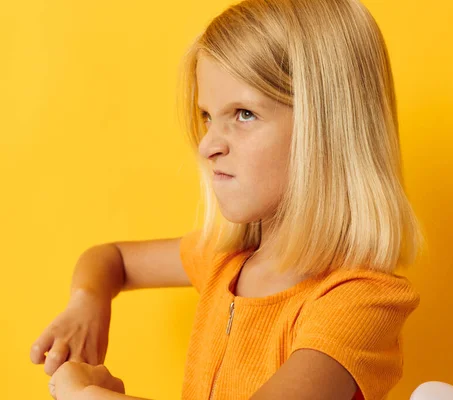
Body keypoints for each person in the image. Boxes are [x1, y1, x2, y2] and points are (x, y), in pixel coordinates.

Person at [30, 0, 426, 399]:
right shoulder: (223, 263)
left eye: (243, 114)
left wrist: (88, 395)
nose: (208, 146)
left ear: (327, 127)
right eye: (207, 116)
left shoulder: (359, 301)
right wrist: (87, 302)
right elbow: (110, 259)